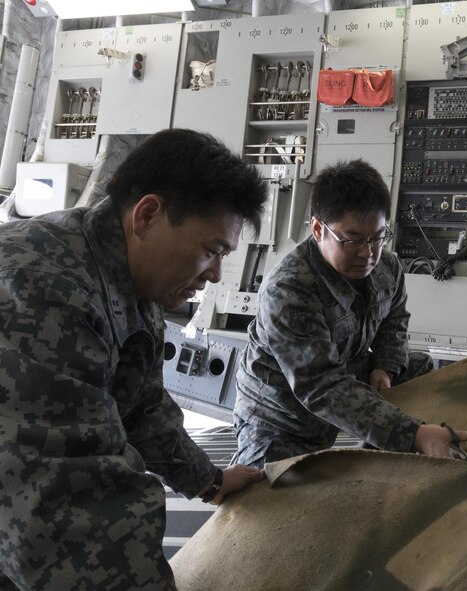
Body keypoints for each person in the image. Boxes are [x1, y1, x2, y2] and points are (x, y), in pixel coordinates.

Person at [0, 128, 267, 591]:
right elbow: (74, 512)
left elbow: (142, 405)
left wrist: (208, 481)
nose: (216, 275)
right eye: (211, 251)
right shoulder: (43, 288)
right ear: (148, 214)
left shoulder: (126, 279)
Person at [231, 159, 467, 468]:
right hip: (281, 417)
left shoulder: (387, 267)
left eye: (377, 237)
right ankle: (411, 437)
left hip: (344, 373)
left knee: (419, 365)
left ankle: (389, 448)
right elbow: (320, 386)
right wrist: (409, 434)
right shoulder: (289, 290)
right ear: (319, 229)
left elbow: (395, 319)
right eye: (353, 239)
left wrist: (385, 366)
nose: (367, 253)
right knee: (262, 499)